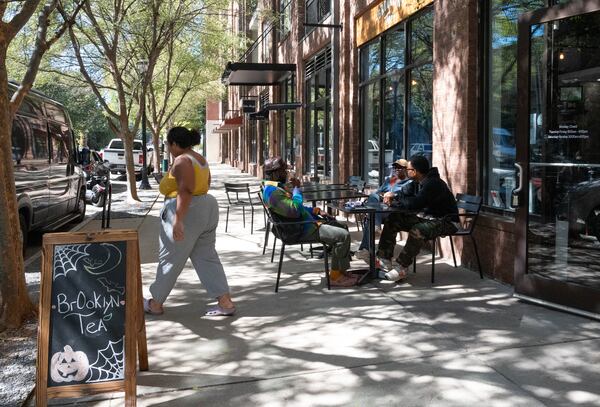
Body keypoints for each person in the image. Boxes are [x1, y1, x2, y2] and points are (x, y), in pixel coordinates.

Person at [144, 127, 235, 316]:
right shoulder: (200, 159)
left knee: (170, 257)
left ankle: (156, 303)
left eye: (169, 145)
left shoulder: (182, 160)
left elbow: (185, 191)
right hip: (206, 207)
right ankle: (225, 302)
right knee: (207, 257)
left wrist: (178, 219)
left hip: (187, 210)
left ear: (175, 144)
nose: (168, 149)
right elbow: (205, 184)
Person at [262, 156, 357, 287]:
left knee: (342, 226)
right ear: (276, 173)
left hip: (306, 223)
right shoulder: (272, 193)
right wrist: (297, 189)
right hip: (302, 229)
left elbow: (294, 208)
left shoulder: (277, 188)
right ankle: (335, 277)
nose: (287, 173)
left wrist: (315, 210)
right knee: (342, 235)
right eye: (284, 171)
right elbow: (294, 209)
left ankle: (341, 270)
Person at [376, 155, 459, 282]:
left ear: (414, 171)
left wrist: (396, 198)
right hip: (429, 218)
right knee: (394, 219)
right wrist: (393, 195)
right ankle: (384, 259)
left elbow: (416, 203)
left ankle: (402, 267)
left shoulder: (433, 184)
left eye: (408, 169)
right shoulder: (417, 182)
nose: (406, 171)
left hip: (446, 221)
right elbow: (403, 194)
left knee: (418, 230)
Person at [356, 159, 416, 254]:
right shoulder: (391, 180)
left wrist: (393, 195)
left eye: (399, 167)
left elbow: (406, 198)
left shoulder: (409, 183)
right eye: (395, 167)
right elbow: (377, 192)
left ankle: (365, 250)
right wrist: (384, 195)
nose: (396, 169)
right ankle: (369, 245)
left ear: (406, 169)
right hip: (382, 210)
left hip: (396, 212)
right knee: (373, 200)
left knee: (371, 217)